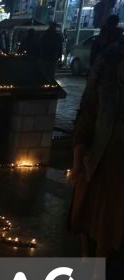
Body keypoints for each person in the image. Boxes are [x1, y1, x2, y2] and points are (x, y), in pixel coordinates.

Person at [69, 35, 124, 258]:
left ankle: (102, 266)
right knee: (90, 219)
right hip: (98, 166)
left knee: (109, 226)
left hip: (117, 173)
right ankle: (90, 263)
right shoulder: (106, 92)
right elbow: (85, 125)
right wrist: (78, 162)